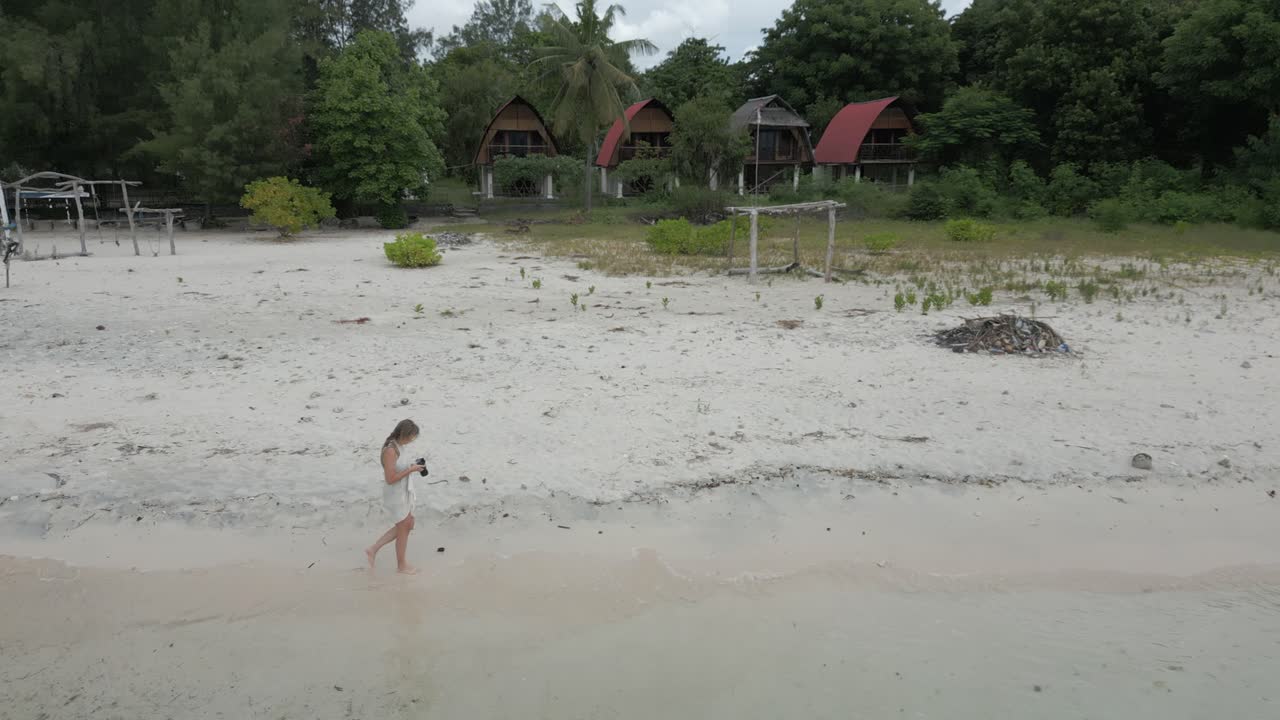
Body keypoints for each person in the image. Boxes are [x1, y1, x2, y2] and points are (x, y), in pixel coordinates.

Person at [365, 419, 425, 574]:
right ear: (403, 434)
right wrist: (410, 470)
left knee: (408, 523)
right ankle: (401, 565)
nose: (411, 440)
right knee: (404, 526)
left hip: (403, 491)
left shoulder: (399, 446)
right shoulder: (391, 450)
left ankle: (373, 549)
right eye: (411, 437)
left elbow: (399, 467)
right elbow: (390, 479)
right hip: (395, 494)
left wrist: (412, 466)